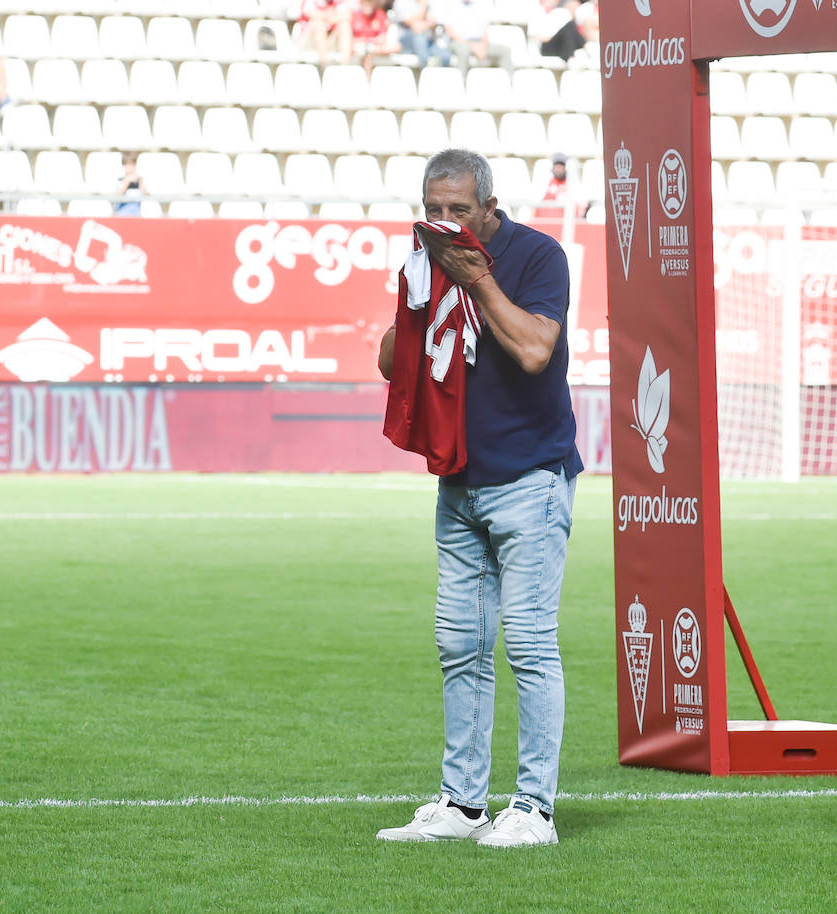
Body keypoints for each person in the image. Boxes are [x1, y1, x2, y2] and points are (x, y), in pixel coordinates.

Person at [376, 148, 582, 847]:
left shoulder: (537, 257)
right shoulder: (427, 259)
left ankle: (534, 810)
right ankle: (463, 804)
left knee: (527, 641)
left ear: (489, 208)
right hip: (459, 480)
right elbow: (388, 363)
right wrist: (415, 294)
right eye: (433, 210)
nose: (444, 222)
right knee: (459, 644)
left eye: (458, 211)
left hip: (530, 478)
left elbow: (533, 351)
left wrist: (477, 281)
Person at [390, 0, 453, 68]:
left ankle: (430, 67)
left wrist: (424, 25)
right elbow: (410, 24)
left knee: (446, 56)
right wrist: (423, 7)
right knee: (419, 38)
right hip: (406, 41)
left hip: (427, 40)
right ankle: (425, 67)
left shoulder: (427, 2)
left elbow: (432, 21)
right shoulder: (401, 2)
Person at [298, 0, 355, 66]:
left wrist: (329, 17)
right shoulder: (310, 2)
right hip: (308, 42)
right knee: (319, 24)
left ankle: (345, 64)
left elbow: (348, 15)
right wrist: (332, 15)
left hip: (329, 40)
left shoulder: (338, 2)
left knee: (344, 25)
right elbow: (312, 14)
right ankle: (325, 65)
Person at [350, 0, 397, 75]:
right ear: (361, 4)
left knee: (396, 47)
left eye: (370, 3)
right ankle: (368, 81)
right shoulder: (355, 16)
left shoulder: (380, 15)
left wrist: (369, 43)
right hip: (360, 48)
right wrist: (367, 41)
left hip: (375, 48)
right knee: (367, 54)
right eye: (366, 3)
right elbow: (351, 39)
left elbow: (382, 38)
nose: (368, 6)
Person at [533, 152, 576, 220]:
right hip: (543, 221)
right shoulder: (545, 182)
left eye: (561, 165)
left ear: (565, 167)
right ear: (552, 167)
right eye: (556, 165)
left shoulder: (571, 184)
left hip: (563, 222)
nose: (558, 168)